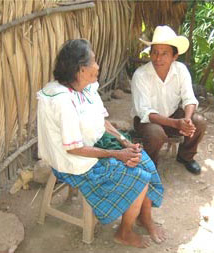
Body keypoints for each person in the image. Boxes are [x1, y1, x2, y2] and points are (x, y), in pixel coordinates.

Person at [37, 39, 166, 248]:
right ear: (81, 69)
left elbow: (100, 121)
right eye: (94, 61)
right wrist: (116, 155)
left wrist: (123, 142)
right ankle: (124, 233)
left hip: (93, 144)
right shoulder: (63, 102)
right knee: (138, 179)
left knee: (144, 162)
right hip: (75, 160)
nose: (98, 65)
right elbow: (74, 148)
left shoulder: (84, 88)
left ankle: (145, 217)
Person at [131, 25, 207, 175]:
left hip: (172, 115)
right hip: (146, 122)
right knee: (155, 133)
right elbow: (145, 112)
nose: (158, 58)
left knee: (199, 121)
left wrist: (186, 120)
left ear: (174, 56)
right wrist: (175, 123)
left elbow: (189, 98)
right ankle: (151, 167)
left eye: (164, 53)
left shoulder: (180, 70)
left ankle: (186, 156)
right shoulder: (141, 75)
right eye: (155, 52)